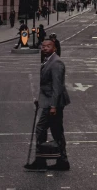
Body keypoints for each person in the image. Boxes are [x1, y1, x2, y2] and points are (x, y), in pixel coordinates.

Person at [25, 39, 70, 172]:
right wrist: (40, 100)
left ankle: (43, 161)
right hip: (49, 102)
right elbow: (47, 86)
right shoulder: (48, 60)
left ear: (54, 48)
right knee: (56, 132)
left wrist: (53, 106)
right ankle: (60, 160)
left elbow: (57, 87)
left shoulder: (56, 62)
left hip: (54, 104)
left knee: (42, 129)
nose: (44, 48)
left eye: (48, 46)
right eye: (43, 46)